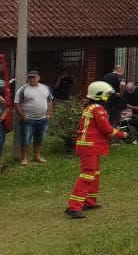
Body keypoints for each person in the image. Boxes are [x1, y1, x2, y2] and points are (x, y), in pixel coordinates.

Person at [64, 82, 127, 218]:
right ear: (100, 94)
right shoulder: (98, 109)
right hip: (90, 147)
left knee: (94, 174)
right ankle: (74, 207)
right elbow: (106, 128)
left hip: (92, 146)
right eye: (107, 94)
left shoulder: (91, 107)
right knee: (86, 176)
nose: (108, 97)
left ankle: (89, 202)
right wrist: (122, 135)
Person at [14, 70, 53, 165]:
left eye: (33, 77)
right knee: (26, 140)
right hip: (28, 120)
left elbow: (49, 101)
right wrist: (23, 117)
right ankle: (24, 158)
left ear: (38, 78)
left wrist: (48, 114)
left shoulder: (45, 88)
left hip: (43, 119)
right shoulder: (23, 89)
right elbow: (17, 103)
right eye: (30, 77)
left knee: (39, 139)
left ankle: (37, 156)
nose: (31, 79)